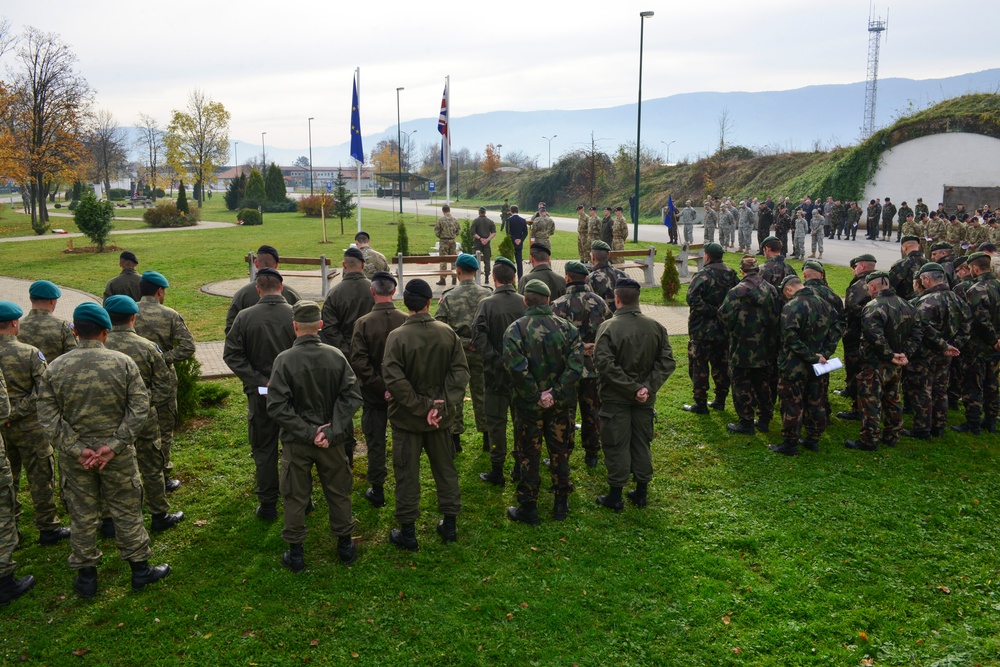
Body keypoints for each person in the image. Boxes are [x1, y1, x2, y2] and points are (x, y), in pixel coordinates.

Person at [36, 303, 169, 598]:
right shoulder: (123, 363)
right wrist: (114, 445)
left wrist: (77, 449)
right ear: (105, 332)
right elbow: (140, 407)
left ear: (74, 331)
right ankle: (140, 571)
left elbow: (46, 414)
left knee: (81, 514)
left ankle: (86, 579)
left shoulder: (55, 368)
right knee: (126, 508)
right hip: (117, 455)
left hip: (76, 459)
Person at [267, 301, 363, 570]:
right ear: (320, 325)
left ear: (295, 326)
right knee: (338, 491)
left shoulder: (284, 360)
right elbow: (352, 396)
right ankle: (345, 546)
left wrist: (309, 433)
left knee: (295, 495)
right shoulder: (336, 356)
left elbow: (276, 406)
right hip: (332, 441)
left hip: (297, 442)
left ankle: (296, 554)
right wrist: (330, 430)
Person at [383, 279, 469, 550]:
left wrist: (422, 407)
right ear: (429, 302)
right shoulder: (447, 333)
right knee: (446, 470)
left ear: (405, 302)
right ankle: (450, 525)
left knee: (407, 474)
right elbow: (460, 372)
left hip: (407, 420)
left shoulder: (396, 337)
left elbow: (394, 380)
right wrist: (438, 407)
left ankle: (408, 533)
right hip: (441, 420)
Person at [504, 280, 584, 525]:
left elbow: (515, 369)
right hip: (560, 406)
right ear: (548, 301)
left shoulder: (515, 330)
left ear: (526, 301)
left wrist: (535, 396)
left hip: (528, 408)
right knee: (560, 452)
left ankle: (529, 507)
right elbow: (575, 367)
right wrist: (555, 394)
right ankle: (561, 503)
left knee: (529, 453)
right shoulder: (569, 329)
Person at [103, 296, 184, 534]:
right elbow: (164, 385)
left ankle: (109, 520)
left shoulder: (100, 346)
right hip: (144, 418)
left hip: (109, 420)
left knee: (111, 468)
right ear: (133, 317)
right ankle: (159, 514)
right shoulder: (147, 347)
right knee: (151, 463)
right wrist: (147, 407)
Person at [594, 278, 675, 510]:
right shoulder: (656, 327)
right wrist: (646, 388)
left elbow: (604, 364)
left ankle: (615, 496)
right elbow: (667, 362)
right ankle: (641, 493)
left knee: (616, 443)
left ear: (616, 299)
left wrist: (632, 389)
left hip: (615, 398)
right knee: (641, 441)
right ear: (637, 299)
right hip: (645, 399)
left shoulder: (608, 327)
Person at [223, 268, 296, 520]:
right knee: (296, 447)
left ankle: (268, 505)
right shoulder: (296, 314)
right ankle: (301, 500)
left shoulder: (244, 317)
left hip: (260, 395)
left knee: (264, 450)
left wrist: (262, 382)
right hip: (295, 395)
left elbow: (232, 355)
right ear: (282, 286)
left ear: (257, 289)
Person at [0, 301, 71, 546]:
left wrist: (5, 416)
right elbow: (43, 389)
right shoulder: (29, 353)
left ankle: (10, 532)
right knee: (41, 476)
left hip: (2, 430)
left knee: (7, 481)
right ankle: (48, 527)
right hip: (30, 426)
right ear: (13, 323)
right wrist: (15, 412)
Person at [844, 271, 921, 451]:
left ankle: (869, 439)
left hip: (875, 363)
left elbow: (874, 336)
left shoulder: (873, 306)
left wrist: (889, 355)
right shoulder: (907, 305)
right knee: (893, 398)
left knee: (870, 401)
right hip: (896, 364)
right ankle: (893, 435)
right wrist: (903, 354)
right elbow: (917, 333)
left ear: (872, 286)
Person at [349, 272, 407, 508]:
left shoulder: (362, 323)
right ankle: (404, 483)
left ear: (372, 292)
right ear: (393, 291)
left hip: (373, 394)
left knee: (375, 441)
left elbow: (359, 361)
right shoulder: (405, 320)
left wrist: (381, 387)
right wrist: (394, 387)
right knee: (403, 440)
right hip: (402, 395)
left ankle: (378, 487)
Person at [134, 270, 195, 493]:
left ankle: (134, 474)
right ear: (160, 291)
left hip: (130, 379)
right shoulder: (169, 314)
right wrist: (163, 358)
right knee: (164, 429)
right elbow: (187, 346)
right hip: (162, 382)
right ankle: (163, 475)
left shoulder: (126, 312)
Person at [769, 277, 840, 455]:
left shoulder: (792, 306)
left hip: (795, 366)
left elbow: (790, 337)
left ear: (788, 289)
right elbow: (838, 327)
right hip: (819, 366)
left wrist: (811, 356)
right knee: (816, 401)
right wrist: (825, 353)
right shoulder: (824, 304)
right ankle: (812, 439)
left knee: (791, 403)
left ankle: (790, 443)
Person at [551, 261, 612, 468]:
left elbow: (553, 338)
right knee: (592, 411)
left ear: (567, 277)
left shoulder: (558, 304)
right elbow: (609, 330)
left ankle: (564, 452)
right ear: (586, 278)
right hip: (593, 367)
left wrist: (576, 348)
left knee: (566, 413)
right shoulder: (599, 302)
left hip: (568, 369)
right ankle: (592, 453)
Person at [473, 257, 527, 485]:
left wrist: (494, 359)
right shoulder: (525, 302)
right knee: (521, 422)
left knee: (496, 423)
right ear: (514, 278)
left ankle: (497, 470)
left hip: (495, 375)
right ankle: (519, 466)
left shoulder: (486, 304)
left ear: (494, 279)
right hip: (523, 375)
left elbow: (478, 337)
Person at [904, 263, 970, 439]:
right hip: (946, 355)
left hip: (925, 354)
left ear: (926, 279)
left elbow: (923, 327)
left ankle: (922, 428)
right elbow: (967, 326)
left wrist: (943, 345)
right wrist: (953, 346)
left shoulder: (925, 301)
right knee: (940, 390)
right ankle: (939, 426)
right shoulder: (958, 299)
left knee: (922, 390)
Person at [321, 247, 374, 464]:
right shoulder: (374, 289)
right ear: (362, 265)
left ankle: (348, 452)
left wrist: (346, 351)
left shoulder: (334, 293)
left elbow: (329, 329)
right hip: (371, 357)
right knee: (372, 405)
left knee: (344, 405)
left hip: (343, 359)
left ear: (344, 265)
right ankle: (374, 447)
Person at [435, 254, 492, 452]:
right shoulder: (487, 294)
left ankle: (455, 439)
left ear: (458, 271)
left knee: (454, 394)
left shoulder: (449, 295)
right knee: (482, 392)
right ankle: (487, 438)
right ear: (476, 271)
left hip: (457, 352)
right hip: (481, 351)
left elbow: (439, 326)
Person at [719, 256, 781, 435]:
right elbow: (777, 315)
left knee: (741, 383)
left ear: (742, 271)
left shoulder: (737, 291)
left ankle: (745, 422)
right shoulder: (771, 290)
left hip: (742, 345)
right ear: (758, 270)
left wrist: (734, 329)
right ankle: (764, 420)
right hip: (766, 346)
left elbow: (724, 315)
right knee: (763, 383)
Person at [683, 243, 738, 414]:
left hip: (701, 330)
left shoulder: (702, 275)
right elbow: (737, 300)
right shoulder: (732, 275)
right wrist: (722, 313)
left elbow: (692, 299)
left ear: (707, 256)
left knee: (699, 366)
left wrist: (712, 311)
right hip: (724, 330)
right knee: (722, 365)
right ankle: (720, 400)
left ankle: (700, 404)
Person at [953, 252, 1000, 434]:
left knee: (973, 384)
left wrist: (992, 339)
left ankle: (973, 423)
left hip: (978, 346)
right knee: (992, 383)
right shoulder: (998, 285)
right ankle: (990, 420)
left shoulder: (976, 289)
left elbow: (980, 319)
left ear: (974, 267)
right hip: (996, 346)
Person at [0, 370, 36, 606]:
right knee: (2, 507)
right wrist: (14, 414)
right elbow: (3, 410)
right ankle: (4, 581)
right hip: (25, 426)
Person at [225, 245, 302, 334]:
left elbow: (230, 329)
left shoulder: (241, 295)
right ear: (276, 264)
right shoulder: (291, 294)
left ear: (256, 263)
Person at [837, 254, 878, 420]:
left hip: (857, 334)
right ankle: (850, 390)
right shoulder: (878, 280)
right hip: (869, 335)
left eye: (855, 267)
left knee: (856, 368)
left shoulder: (860, 284)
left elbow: (853, 308)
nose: (854, 271)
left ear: (860, 266)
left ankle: (857, 407)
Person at [17, 280, 76, 362]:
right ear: (52, 301)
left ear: (30, 299)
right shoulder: (64, 326)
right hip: (55, 373)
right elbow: (73, 355)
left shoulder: (17, 326)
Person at [586, 241, 626, 312]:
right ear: (608, 255)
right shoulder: (623, 275)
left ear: (593, 257)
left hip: (603, 319)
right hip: (622, 317)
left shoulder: (591, 278)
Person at [888, 236, 927, 300]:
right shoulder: (928, 263)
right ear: (919, 246)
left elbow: (890, 284)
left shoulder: (901, 264)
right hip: (925, 301)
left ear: (904, 247)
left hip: (905, 303)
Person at [434, 205, 461, 285]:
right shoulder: (455, 220)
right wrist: (453, 235)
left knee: (443, 260)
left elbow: (436, 231)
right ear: (449, 210)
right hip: (452, 241)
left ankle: (443, 279)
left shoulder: (440, 220)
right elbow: (458, 231)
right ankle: (454, 278)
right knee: (453, 259)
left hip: (444, 241)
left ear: (443, 211)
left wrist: (441, 236)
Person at [470, 208, 498, 282]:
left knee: (476, 260)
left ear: (479, 212)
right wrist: (487, 239)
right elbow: (494, 233)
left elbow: (473, 233)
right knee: (487, 260)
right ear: (485, 212)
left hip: (477, 243)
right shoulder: (490, 221)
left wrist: (480, 239)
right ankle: (486, 277)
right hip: (487, 243)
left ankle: (476, 276)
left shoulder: (476, 221)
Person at [506, 205, 529, 280]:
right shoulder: (523, 220)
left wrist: (514, 239)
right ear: (517, 211)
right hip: (519, 244)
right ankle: (520, 279)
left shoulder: (509, 220)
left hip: (511, 243)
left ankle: (511, 278)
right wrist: (520, 240)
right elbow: (525, 233)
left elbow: (508, 232)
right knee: (519, 263)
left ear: (511, 211)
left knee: (510, 262)